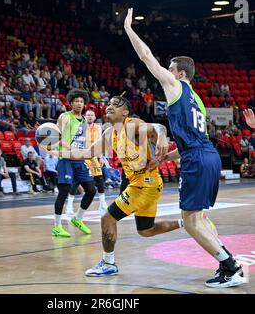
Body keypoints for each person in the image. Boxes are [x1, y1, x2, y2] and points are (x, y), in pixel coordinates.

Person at [124, 8, 246, 288]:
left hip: (197, 159)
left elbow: (145, 58)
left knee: (191, 223)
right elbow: (193, 139)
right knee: (197, 219)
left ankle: (231, 266)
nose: (165, 72)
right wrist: (165, 157)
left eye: (169, 68)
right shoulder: (197, 100)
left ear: (179, 72)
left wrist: (129, 30)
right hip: (207, 156)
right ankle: (227, 265)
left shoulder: (175, 86)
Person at [54, 95, 182, 277]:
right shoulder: (109, 133)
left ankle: (108, 263)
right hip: (149, 185)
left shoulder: (131, 125)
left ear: (125, 112)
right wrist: (56, 148)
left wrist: (161, 137)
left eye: (116, 104)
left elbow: (158, 126)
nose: (110, 106)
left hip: (143, 186)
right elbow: (86, 153)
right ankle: (187, 222)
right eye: (108, 104)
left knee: (107, 219)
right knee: (146, 230)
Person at [51, 89, 97, 238]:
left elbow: (81, 141)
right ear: (70, 103)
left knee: (91, 190)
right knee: (64, 192)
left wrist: (88, 156)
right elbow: (58, 136)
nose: (79, 103)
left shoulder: (84, 120)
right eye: (76, 101)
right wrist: (71, 149)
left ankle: (77, 218)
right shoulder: (65, 117)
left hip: (79, 160)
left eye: (81, 101)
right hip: (66, 159)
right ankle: (57, 227)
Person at [66, 109, 108, 215]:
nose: (90, 117)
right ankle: (69, 206)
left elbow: (99, 143)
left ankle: (102, 204)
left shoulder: (98, 128)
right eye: (88, 115)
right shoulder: (80, 126)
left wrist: (101, 157)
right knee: (76, 182)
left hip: (93, 156)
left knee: (99, 179)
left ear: (94, 117)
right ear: (85, 117)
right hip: (81, 156)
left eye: (92, 115)